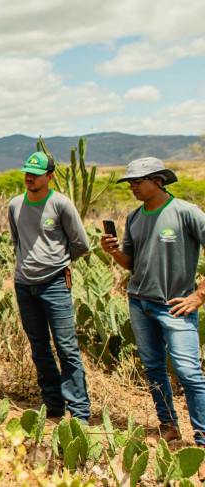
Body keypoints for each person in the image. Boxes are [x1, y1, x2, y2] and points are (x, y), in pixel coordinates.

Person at [101, 157, 205, 451]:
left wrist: (199, 294)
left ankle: (202, 442)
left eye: (137, 181)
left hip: (175, 307)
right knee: (154, 368)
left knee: (189, 373)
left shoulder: (186, 212)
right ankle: (169, 426)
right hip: (139, 304)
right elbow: (132, 264)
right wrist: (113, 253)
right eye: (130, 182)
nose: (132, 187)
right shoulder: (134, 217)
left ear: (158, 180)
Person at [8, 152, 91, 422]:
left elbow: (81, 244)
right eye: (27, 172)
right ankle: (54, 406)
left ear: (50, 176)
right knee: (39, 347)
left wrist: (57, 264)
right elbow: (17, 240)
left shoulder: (61, 205)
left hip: (55, 284)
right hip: (24, 285)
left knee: (66, 347)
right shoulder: (15, 205)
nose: (29, 177)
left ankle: (79, 413)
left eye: (35, 173)